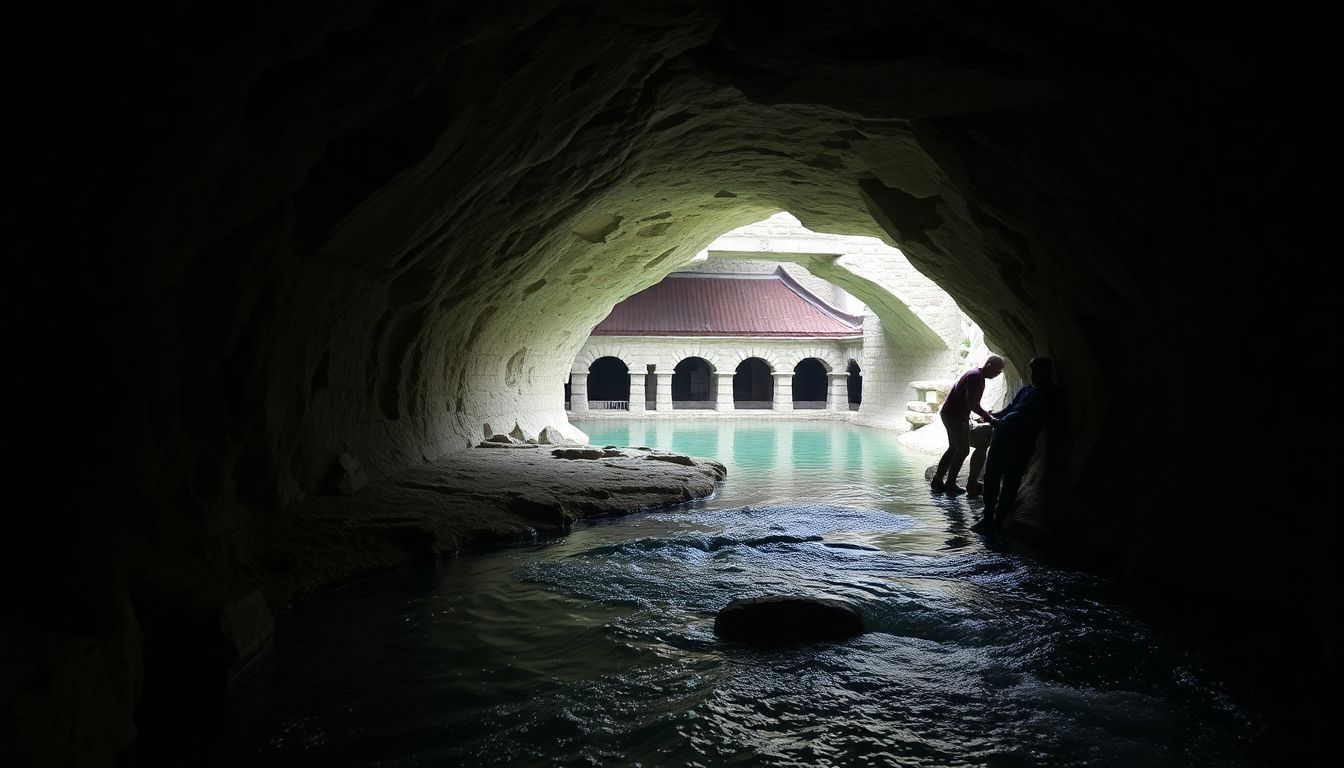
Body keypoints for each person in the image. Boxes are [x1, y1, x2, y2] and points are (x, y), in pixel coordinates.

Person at [973, 356, 1059, 530]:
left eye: (1037, 371)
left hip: (1022, 440)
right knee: (992, 474)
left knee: (1011, 478)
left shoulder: (1053, 393)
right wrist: (989, 417)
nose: (1033, 374)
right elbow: (1008, 410)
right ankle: (988, 515)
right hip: (1002, 434)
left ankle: (999, 518)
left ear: (1047, 372)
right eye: (1031, 370)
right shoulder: (1026, 390)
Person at [930, 354, 1005, 495]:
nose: (997, 374)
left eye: (1000, 372)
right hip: (954, 416)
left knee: (954, 448)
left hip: (953, 414)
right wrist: (990, 419)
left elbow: (968, 402)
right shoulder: (976, 377)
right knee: (962, 450)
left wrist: (974, 416)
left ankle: (938, 480)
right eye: (997, 371)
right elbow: (973, 403)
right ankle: (949, 483)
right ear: (989, 365)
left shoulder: (975, 374)